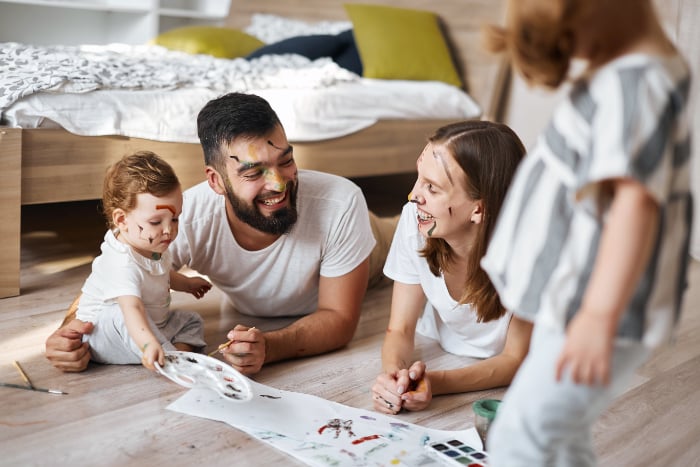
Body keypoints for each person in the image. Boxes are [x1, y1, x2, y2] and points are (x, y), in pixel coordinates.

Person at [480, 0, 693, 464]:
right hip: (577, 299)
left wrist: (598, 315)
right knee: (558, 436)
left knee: (521, 436)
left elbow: (636, 204)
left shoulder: (637, 84)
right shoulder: (628, 70)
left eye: (573, 42)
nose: (578, 57)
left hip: (594, 306)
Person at [45, 92, 396, 375]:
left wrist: (270, 347)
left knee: (418, 236)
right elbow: (110, 276)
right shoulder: (184, 217)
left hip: (373, 241)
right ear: (215, 181)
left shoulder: (339, 202)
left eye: (285, 161)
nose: (278, 184)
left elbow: (339, 319)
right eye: (253, 172)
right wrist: (70, 332)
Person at [370, 121, 533, 415]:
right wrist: (396, 378)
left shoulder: (531, 253)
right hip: (444, 342)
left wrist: (435, 382)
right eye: (419, 178)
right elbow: (400, 328)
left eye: (432, 188)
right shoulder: (413, 222)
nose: (413, 194)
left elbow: (514, 359)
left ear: (478, 209)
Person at [74, 151, 212, 370]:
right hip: (103, 335)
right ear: (122, 219)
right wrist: (148, 343)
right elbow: (132, 308)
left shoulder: (153, 245)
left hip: (150, 324)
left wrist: (187, 284)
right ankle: (167, 358)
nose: (169, 230)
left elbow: (163, 273)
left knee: (192, 320)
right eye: (156, 221)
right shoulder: (120, 262)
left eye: (175, 219)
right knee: (118, 312)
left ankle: (176, 353)